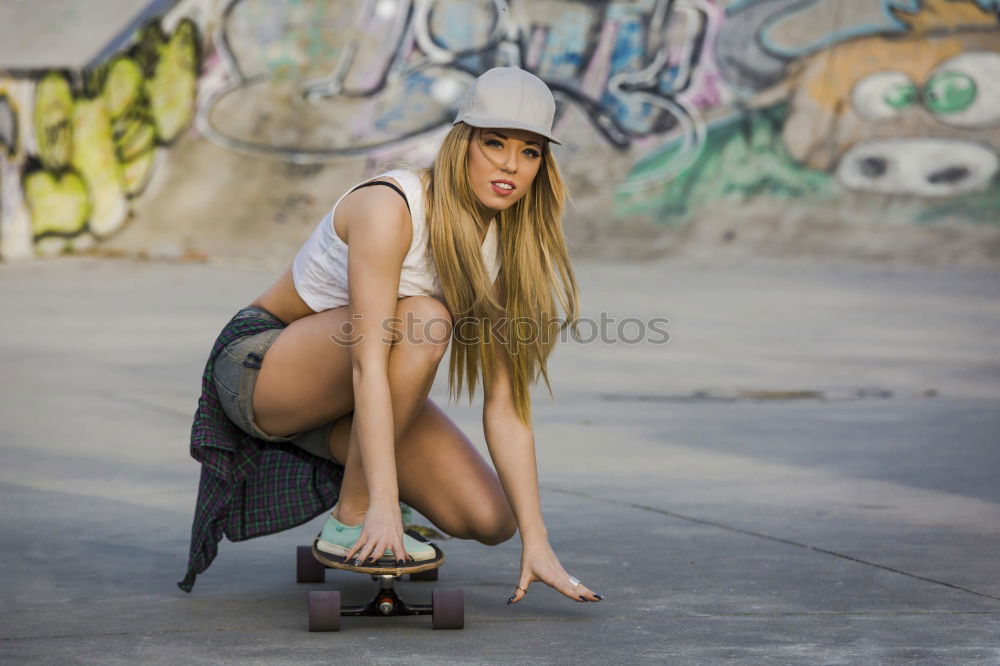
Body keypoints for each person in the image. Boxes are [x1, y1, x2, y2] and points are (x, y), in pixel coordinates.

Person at [178, 67, 602, 605]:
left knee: (491, 518)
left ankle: (363, 481)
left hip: (345, 396)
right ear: (460, 143)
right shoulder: (392, 207)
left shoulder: (503, 247)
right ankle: (351, 515)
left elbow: (506, 408)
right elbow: (367, 365)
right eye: (494, 143)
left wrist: (538, 542)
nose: (510, 165)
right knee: (425, 319)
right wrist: (380, 500)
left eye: (530, 151)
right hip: (264, 366)